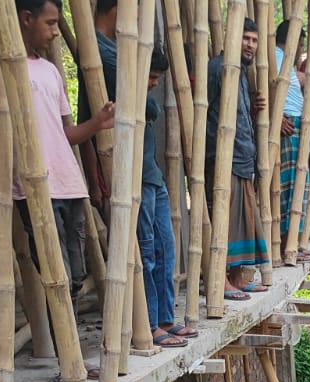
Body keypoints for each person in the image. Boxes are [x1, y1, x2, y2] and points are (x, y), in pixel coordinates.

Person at [0, 0, 114, 295]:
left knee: (74, 277)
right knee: (55, 275)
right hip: (33, 185)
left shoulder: (51, 71)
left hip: (69, 184)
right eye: (50, 23)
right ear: (27, 18)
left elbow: (66, 133)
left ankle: (69, 338)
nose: (56, 32)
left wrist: (97, 122)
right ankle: (64, 340)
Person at [93, 1, 193, 346]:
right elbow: (147, 105)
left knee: (165, 246)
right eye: (150, 78)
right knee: (146, 252)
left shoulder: (119, 56)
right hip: (134, 175)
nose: (151, 84)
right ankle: (149, 323)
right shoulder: (103, 52)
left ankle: (165, 317)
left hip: (151, 173)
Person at [204, 20, 269, 297]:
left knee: (240, 221)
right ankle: (219, 281)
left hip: (241, 155)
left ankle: (235, 277)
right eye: (245, 39)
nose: (250, 45)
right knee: (225, 222)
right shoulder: (218, 68)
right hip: (223, 156)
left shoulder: (239, 71)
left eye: (254, 40)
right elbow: (207, 112)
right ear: (231, 37)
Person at [273, 19, 310, 262]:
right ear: (295, 42)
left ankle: (291, 243)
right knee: (289, 186)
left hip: (291, 122)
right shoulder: (278, 57)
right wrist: (277, 117)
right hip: (288, 123)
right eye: (301, 43)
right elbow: (269, 88)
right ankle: (285, 244)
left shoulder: (282, 59)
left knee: (296, 183)